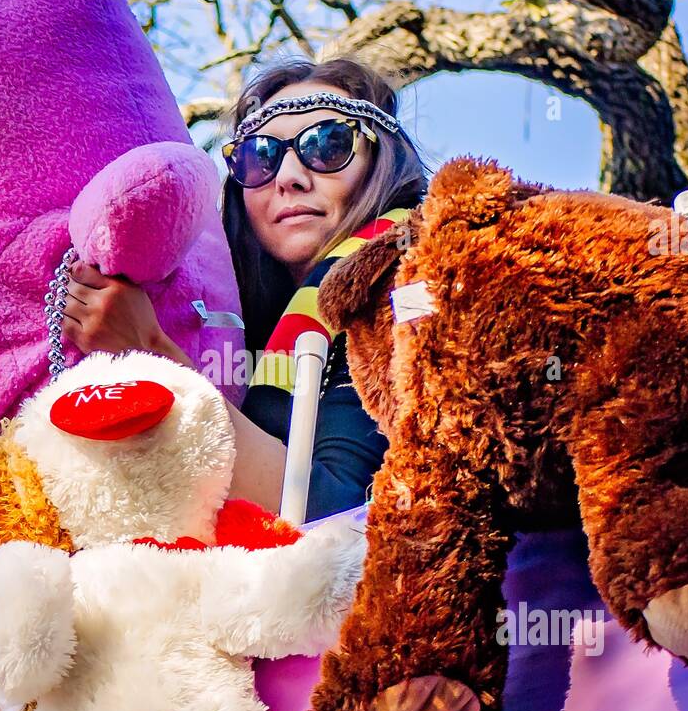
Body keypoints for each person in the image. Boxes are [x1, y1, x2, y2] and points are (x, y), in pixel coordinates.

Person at [60, 57, 428, 520]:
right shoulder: (229, 318)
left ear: (382, 161)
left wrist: (150, 352)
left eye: (328, 144)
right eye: (260, 156)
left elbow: (332, 509)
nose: (291, 177)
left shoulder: (408, 286)